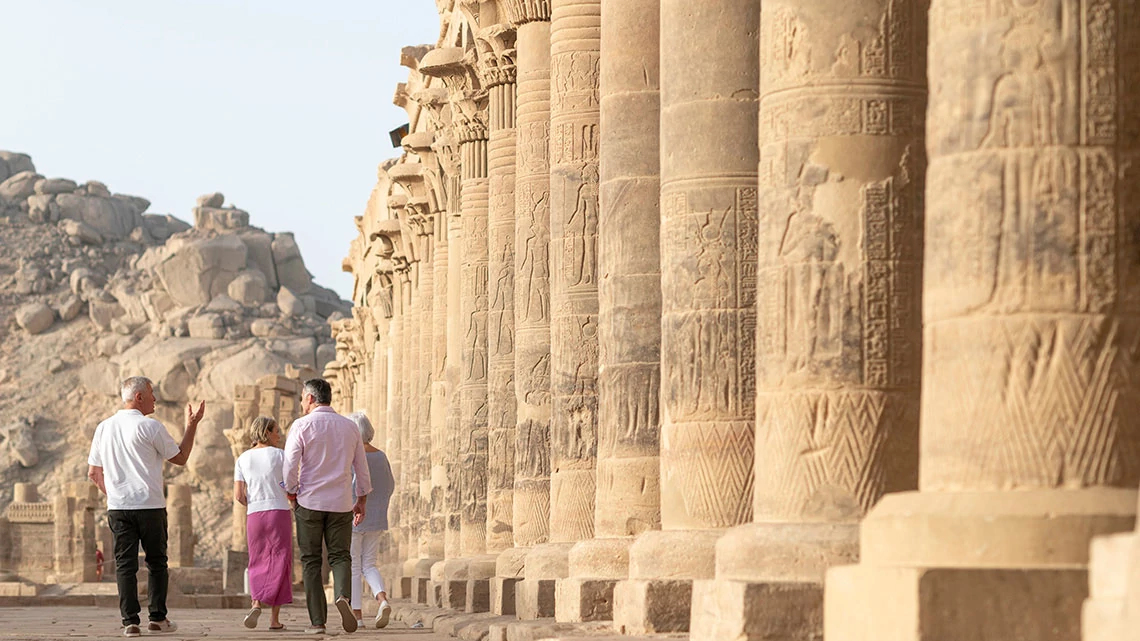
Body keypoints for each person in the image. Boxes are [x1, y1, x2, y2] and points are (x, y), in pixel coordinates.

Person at [87, 376, 205, 638]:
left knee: (124, 565)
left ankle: (130, 622)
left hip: (118, 508)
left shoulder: (103, 427)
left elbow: (94, 474)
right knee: (157, 563)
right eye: (151, 394)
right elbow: (181, 458)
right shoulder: (150, 427)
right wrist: (192, 425)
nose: (155, 399)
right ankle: (158, 619)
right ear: (138, 397)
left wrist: (116, 494)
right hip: (150, 506)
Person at [283, 378, 371, 635]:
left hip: (309, 501)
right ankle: (343, 596)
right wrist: (362, 499)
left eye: (302, 397)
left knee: (311, 561)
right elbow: (361, 468)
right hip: (341, 502)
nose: (301, 402)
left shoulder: (301, 425)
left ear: (310, 398)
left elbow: (290, 465)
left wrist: (291, 491)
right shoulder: (350, 427)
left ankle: (317, 622)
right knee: (341, 555)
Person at [234, 416, 292, 631]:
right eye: (276, 431)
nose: (279, 435)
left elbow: (239, 495)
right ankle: (274, 620)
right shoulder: (280, 455)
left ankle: (256, 601)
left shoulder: (243, 458)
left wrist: (254, 504)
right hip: (278, 511)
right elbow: (292, 484)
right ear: (267, 433)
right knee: (280, 560)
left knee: (257, 558)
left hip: (254, 514)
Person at [346, 411, 395, 629]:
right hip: (377, 516)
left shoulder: (354, 456)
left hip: (355, 515)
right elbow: (390, 484)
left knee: (355, 566)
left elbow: (352, 485)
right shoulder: (381, 456)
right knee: (370, 564)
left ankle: (357, 616)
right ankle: (382, 599)